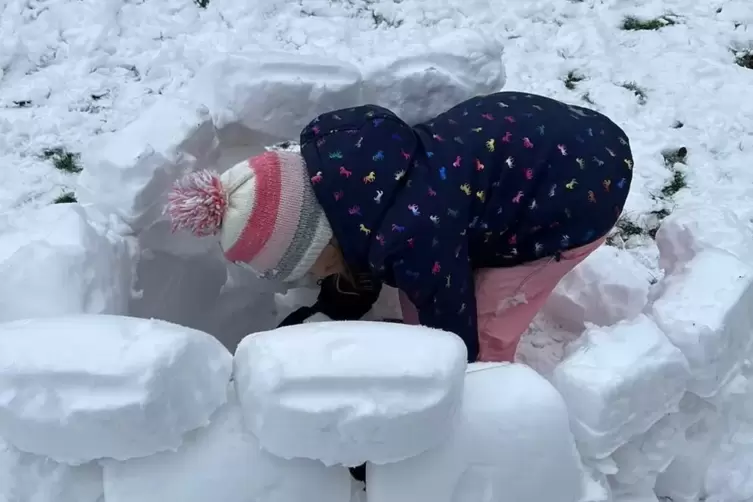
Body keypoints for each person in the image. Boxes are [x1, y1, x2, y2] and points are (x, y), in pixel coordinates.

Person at [166, 91, 634, 363]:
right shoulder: (345, 168)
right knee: (428, 284)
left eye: (311, 271)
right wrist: (334, 306)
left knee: (486, 316)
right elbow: (354, 247)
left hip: (576, 196)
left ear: (315, 244)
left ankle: (494, 398)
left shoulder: (413, 237)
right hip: (551, 137)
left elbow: (451, 330)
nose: (315, 279)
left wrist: (452, 373)